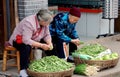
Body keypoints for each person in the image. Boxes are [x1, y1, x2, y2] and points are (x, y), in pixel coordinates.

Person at [8, 9, 53, 77]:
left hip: (34, 39)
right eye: (47, 23)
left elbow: (47, 35)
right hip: (19, 40)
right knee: (26, 47)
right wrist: (41, 45)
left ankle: (51, 64)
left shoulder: (45, 23)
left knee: (52, 44)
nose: (48, 24)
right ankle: (23, 70)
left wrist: (49, 43)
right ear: (42, 21)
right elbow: (26, 40)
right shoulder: (29, 22)